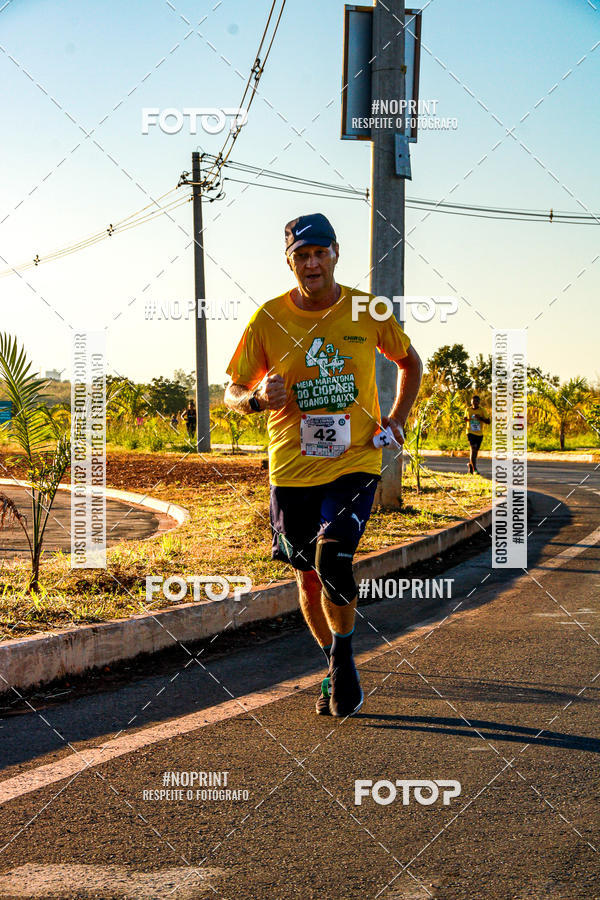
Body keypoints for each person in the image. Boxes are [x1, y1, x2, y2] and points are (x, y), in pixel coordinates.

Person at [224, 213, 422, 718]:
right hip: (291, 469)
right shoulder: (266, 319)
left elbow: (410, 362)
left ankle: (347, 658)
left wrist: (396, 419)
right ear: (289, 262)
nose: (311, 263)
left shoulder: (366, 308)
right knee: (308, 576)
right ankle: (332, 660)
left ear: (336, 253)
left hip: (355, 461)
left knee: (334, 559)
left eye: (319, 253)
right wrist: (254, 399)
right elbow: (231, 391)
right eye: (300, 256)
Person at [464, 394, 490, 474]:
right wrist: (466, 419)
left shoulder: (482, 410)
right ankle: (475, 468)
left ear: (479, 402)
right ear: (471, 402)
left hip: (479, 434)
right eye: (474, 401)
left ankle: (470, 465)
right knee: (473, 448)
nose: (475, 402)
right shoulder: (468, 410)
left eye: (477, 401)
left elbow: (488, 421)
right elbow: (466, 418)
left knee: (474, 451)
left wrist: (480, 418)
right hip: (470, 432)